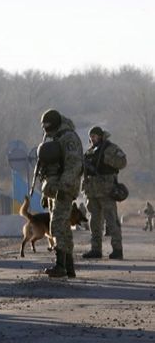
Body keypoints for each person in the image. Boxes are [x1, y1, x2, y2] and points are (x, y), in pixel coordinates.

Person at [39, 109, 83, 278]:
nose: (45, 129)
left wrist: (63, 188)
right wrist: (46, 193)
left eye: (47, 126)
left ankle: (61, 265)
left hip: (64, 188)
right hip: (55, 188)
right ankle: (69, 266)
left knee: (57, 224)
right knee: (63, 226)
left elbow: (73, 165)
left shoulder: (68, 138)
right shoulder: (56, 137)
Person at [81, 126, 127, 260]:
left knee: (111, 220)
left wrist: (107, 160)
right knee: (94, 222)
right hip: (92, 192)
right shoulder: (89, 152)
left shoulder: (110, 148)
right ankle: (96, 249)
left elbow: (122, 162)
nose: (93, 138)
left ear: (101, 136)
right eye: (91, 137)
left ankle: (117, 249)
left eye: (95, 136)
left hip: (106, 191)